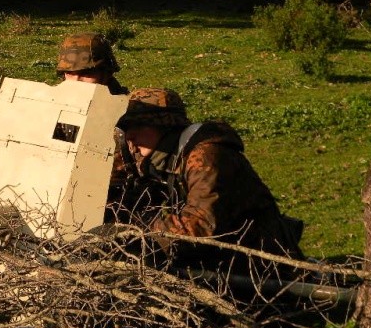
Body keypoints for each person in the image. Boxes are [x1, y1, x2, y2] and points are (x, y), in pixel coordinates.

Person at [111, 87, 304, 276]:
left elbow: (200, 224)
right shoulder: (162, 159)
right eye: (127, 128)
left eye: (138, 126)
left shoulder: (206, 155)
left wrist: (135, 233)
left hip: (263, 266)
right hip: (225, 260)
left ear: (165, 125)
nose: (130, 136)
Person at [56, 32, 129, 95]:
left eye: (85, 73)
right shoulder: (52, 103)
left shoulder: (126, 108)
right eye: (70, 73)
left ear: (106, 73)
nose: (76, 81)